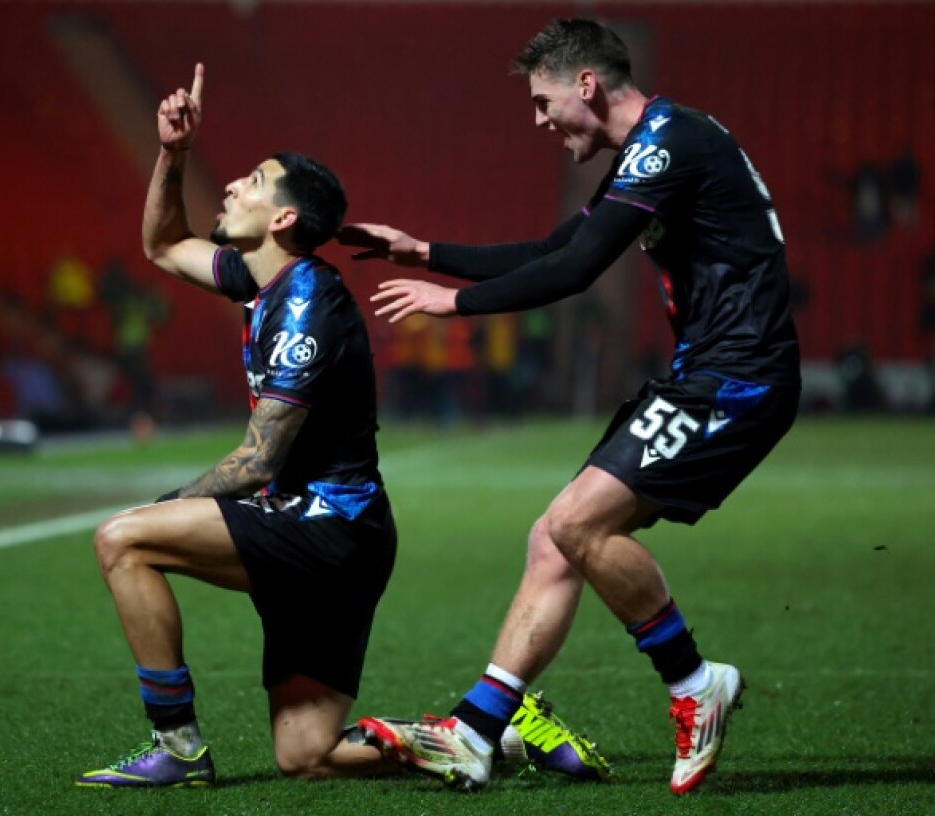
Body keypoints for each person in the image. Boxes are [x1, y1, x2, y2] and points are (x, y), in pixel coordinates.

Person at [74, 62, 607, 788]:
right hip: (326, 533)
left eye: (253, 182)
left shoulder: (306, 306)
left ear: (284, 219)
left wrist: (165, 510)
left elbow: (260, 460)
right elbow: (164, 246)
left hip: (329, 533)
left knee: (123, 539)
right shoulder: (262, 281)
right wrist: (173, 155)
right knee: (307, 756)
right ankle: (500, 737)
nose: (231, 186)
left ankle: (180, 748)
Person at [341, 18, 801, 795]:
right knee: (554, 540)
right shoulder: (654, 148)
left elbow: (578, 270)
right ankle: (477, 731)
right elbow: (561, 246)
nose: (539, 120)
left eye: (541, 100)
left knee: (578, 524)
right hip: (708, 372)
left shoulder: (669, 142)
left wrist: (452, 303)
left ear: (585, 84)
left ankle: (695, 684)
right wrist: (426, 251)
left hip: (736, 376)